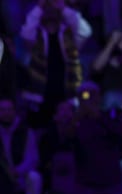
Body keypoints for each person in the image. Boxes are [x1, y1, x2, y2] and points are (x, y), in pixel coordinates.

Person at [20, 0, 92, 129]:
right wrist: (39, 6)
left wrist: (63, 7)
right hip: (39, 96)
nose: (51, 10)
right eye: (48, 7)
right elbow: (26, 31)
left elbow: (85, 31)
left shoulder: (70, 34)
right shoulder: (35, 35)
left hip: (67, 95)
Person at [0, 97, 42, 194]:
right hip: (2, 174)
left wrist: (17, 171)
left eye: (9, 110)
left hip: (21, 175)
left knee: (34, 178)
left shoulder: (26, 132)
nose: (6, 113)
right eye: (2, 110)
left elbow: (32, 158)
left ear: (14, 111)